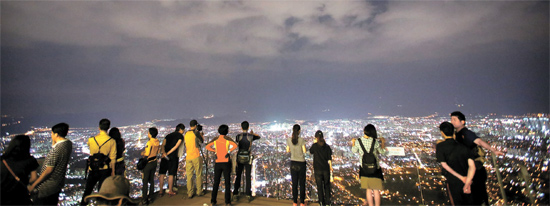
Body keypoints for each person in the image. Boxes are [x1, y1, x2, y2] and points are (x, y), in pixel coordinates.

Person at [451, 111, 505, 205]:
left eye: (454, 119)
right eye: (451, 119)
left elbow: (479, 141)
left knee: (478, 197)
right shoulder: (457, 134)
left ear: (462, 121)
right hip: (470, 169)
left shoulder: (466, 133)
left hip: (475, 169)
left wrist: (493, 150)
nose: (452, 122)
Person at [29, 122, 73, 205]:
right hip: (58, 184)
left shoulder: (55, 150)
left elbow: (48, 171)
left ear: (56, 134)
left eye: (52, 133)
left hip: (47, 187)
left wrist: (33, 185)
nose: (51, 135)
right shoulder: (68, 144)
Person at [436, 122, 476, 205]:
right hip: (469, 181)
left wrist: (461, 178)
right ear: (453, 132)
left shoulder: (440, 146)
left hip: (454, 182)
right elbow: (472, 166)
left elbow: (444, 165)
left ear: (442, 133)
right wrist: (467, 182)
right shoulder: (464, 146)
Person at [81, 119, 117, 205]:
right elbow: (113, 159)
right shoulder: (112, 141)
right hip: (105, 169)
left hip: (92, 168)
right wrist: (113, 173)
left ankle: (83, 204)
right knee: (102, 192)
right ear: (108, 128)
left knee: (87, 191)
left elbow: (90, 149)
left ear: (99, 127)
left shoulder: (91, 140)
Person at [351, 124, 387, 206]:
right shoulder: (375, 142)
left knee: (368, 189)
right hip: (375, 168)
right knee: (376, 189)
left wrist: (353, 143)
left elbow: (354, 151)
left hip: (364, 168)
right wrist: (383, 143)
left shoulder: (358, 141)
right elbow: (382, 152)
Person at [1, 135, 39, 205]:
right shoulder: (30, 160)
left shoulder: (2, 159)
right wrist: (24, 181)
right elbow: (34, 178)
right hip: (20, 196)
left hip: (3, 197)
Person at [206, 124, 238, 206]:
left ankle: (213, 201)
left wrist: (215, 151)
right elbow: (235, 145)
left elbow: (207, 146)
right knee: (227, 182)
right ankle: (227, 202)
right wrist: (229, 151)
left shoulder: (216, 140)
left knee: (216, 182)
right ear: (227, 131)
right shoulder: (227, 140)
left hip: (218, 162)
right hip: (226, 162)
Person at [232, 121, 261, 202]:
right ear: (248, 127)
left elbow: (237, 143)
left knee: (238, 175)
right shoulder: (251, 136)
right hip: (248, 158)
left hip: (240, 157)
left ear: (241, 127)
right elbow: (258, 137)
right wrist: (253, 133)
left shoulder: (238, 136)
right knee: (248, 176)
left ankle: (235, 193)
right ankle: (248, 194)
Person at [158, 124, 184, 197]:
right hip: (173, 157)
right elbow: (176, 146)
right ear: (181, 129)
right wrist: (168, 153)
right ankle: (170, 191)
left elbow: (163, 145)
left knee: (162, 173)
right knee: (171, 174)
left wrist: (164, 153)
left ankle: (160, 191)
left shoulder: (168, 135)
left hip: (164, 156)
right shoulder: (180, 136)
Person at [309, 130, 333, 206]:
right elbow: (329, 159)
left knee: (319, 187)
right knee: (327, 186)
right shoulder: (327, 147)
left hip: (317, 169)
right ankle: (328, 202)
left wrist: (313, 142)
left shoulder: (315, 146)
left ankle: (321, 203)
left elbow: (311, 151)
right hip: (326, 169)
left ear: (316, 138)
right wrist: (331, 168)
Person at [286, 124, 306, 206]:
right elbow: (304, 151)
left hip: (293, 162)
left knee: (294, 183)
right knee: (302, 183)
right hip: (301, 163)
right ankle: (302, 202)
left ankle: (294, 202)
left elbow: (287, 150)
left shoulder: (289, 140)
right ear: (299, 131)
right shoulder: (301, 140)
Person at [184, 120, 205, 198]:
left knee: (189, 176)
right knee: (198, 174)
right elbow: (201, 141)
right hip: (196, 155)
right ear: (196, 125)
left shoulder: (186, 134)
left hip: (188, 156)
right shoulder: (196, 133)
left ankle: (190, 193)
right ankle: (199, 191)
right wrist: (201, 134)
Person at [141, 127, 160, 205]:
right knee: (151, 180)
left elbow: (147, 153)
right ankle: (151, 197)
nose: (147, 134)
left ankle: (145, 199)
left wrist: (142, 153)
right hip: (154, 162)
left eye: (148, 133)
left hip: (148, 163)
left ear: (150, 134)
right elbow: (158, 151)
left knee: (145, 181)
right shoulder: (157, 141)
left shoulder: (149, 142)